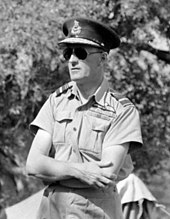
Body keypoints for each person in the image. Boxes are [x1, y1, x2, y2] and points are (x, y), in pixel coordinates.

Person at [26, 17, 143, 219]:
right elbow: (33, 164)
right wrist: (79, 171)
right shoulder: (56, 101)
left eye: (80, 53)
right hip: (51, 210)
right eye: (67, 53)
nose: (72, 60)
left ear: (103, 58)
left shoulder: (122, 110)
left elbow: (105, 174)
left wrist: (53, 168)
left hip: (94, 211)